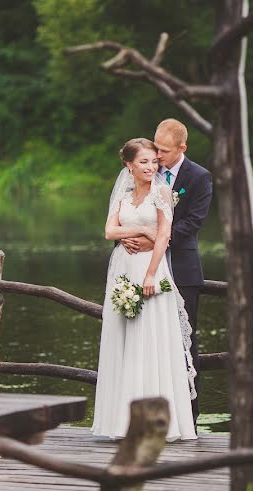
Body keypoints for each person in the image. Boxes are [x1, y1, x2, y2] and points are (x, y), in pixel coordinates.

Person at [91, 138, 197, 442]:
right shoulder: (123, 195)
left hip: (150, 269)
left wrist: (151, 274)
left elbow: (163, 236)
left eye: (154, 161)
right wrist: (141, 230)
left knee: (149, 339)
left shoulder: (162, 192)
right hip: (123, 268)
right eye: (143, 162)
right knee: (123, 339)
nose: (151, 167)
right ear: (129, 165)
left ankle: (154, 421)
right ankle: (121, 421)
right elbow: (110, 231)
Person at [120, 119, 213, 426]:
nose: (156, 155)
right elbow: (125, 208)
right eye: (155, 147)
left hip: (181, 268)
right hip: (140, 267)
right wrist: (126, 236)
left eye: (163, 150)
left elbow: (192, 223)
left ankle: (189, 417)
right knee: (145, 339)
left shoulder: (199, 177)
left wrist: (154, 237)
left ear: (182, 148)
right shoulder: (144, 168)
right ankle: (145, 415)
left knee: (185, 344)